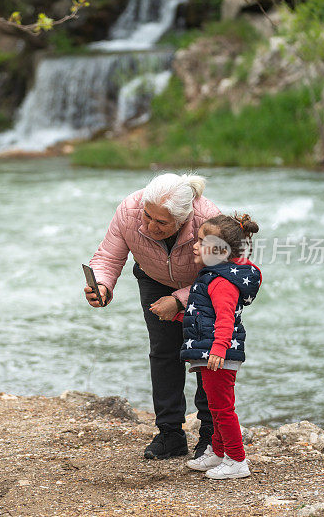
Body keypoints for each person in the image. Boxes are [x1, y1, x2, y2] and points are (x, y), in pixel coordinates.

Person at [85, 173, 220, 460]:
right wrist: (103, 286)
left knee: (206, 357)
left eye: (162, 222)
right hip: (153, 278)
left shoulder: (209, 219)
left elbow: (223, 275)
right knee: (163, 352)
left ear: (184, 220)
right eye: (147, 217)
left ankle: (210, 434)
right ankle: (170, 434)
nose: (149, 226)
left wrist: (180, 300)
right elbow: (109, 257)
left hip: (206, 286)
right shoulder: (129, 210)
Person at [179, 213, 261, 479]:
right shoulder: (211, 276)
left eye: (201, 240)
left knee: (223, 408)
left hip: (218, 354)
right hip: (211, 351)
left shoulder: (223, 282)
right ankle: (217, 452)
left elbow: (225, 319)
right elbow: (205, 315)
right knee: (214, 407)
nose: (194, 244)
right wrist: (178, 315)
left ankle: (237, 460)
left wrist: (218, 349)